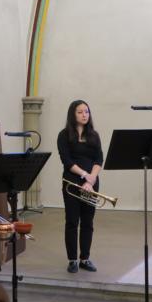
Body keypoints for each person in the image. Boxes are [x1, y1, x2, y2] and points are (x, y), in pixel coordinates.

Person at [57, 100, 104, 274]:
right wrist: (85, 176)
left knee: (88, 221)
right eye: (80, 112)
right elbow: (67, 161)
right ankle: (72, 260)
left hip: (91, 183)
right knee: (71, 221)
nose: (85, 115)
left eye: (87, 112)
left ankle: (85, 258)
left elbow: (99, 159)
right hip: (72, 180)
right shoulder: (64, 135)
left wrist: (91, 180)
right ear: (73, 114)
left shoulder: (94, 135)